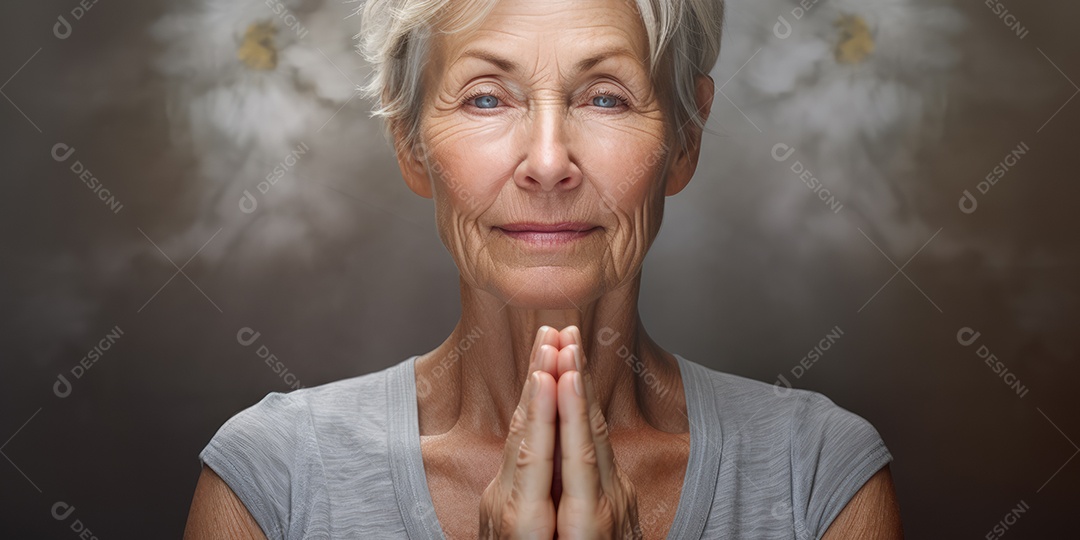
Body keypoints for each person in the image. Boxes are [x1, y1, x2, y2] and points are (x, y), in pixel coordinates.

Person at [183, 0, 903, 538]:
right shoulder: (274, 481)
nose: (550, 162)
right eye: (486, 98)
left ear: (685, 138)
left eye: (605, 97)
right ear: (409, 143)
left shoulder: (818, 478)